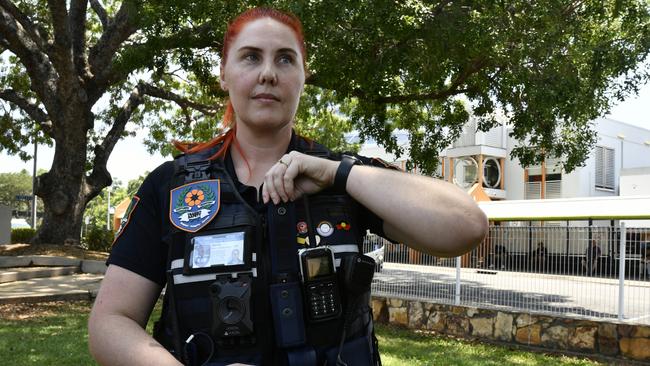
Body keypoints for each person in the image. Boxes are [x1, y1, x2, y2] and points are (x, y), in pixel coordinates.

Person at [88, 7, 488, 366]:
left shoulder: (346, 176)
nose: (268, 73)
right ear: (224, 74)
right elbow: (110, 322)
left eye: (285, 59)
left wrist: (339, 174)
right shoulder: (170, 186)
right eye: (250, 57)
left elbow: (466, 226)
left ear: (302, 76)